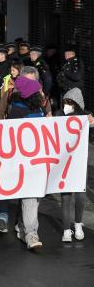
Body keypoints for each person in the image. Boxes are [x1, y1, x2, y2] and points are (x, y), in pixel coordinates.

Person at [1, 76, 46, 250]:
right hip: (24, 161)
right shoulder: (17, 111)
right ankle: (31, 234)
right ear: (33, 94)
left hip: (39, 159)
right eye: (39, 91)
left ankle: (22, 227)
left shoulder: (40, 109)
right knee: (30, 195)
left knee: (35, 196)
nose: (42, 94)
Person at [60, 87, 89, 242]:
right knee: (66, 197)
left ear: (77, 104)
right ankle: (66, 230)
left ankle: (77, 224)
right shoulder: (59, 118)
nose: (67, 106)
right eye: (65, 102)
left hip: (78, 163)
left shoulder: (85, 119)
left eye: (70, 103)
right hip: (64, 163)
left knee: (80, 196)